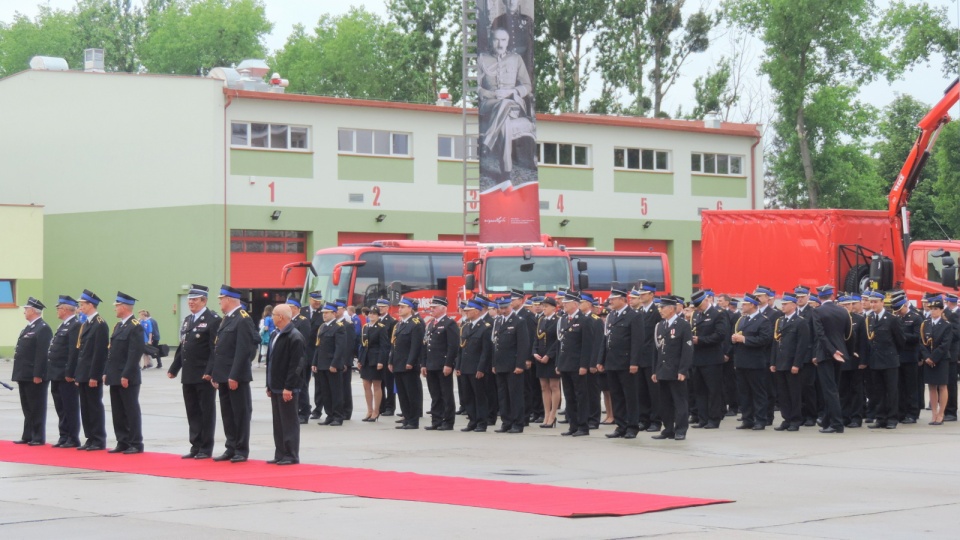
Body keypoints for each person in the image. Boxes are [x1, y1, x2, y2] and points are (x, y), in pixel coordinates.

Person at [167, 284, 221, 459]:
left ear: (204, 300)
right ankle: (195, 445)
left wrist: (210, 371)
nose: (191, 302)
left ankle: (206, 447)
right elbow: (184, 346)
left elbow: (215, 349)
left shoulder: (213, 319)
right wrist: (174, 368)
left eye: (195, 300)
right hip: (189, 374)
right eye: (190, 299)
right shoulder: (188, 320)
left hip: (203, 374)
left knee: (206, 411)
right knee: (192, 411)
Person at [477, 27, 534, 190]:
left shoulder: (516, 59)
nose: (500, 43)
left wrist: (512, 91)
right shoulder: (482, 59)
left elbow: (527, 85)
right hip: (490, 105)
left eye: (503, 40)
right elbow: (477, 88)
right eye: (496, 39)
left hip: (513, 103)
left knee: (506, 108)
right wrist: (493, 94)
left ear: (508, 42)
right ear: (491, 41)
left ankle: (487, 142)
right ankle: (506, 173)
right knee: (505, 117)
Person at [209, 284, 258, 463]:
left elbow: (243, 350)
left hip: (235, 376)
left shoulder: (243, 319)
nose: (220, 302)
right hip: (223, 375)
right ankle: (230, 447)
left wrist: (234, 375)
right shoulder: (227, 319)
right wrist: (216, 374)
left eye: (221, 299)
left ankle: (241, 449)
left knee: (240, 413)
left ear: (229, 299)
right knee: (228, 414)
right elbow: (219, 350)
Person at [598, 288, 642, 439]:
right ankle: (621, 425)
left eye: (614, 298)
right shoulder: (611, 316)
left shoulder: (633, 316)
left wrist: (634, 362)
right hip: (611, 361)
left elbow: (637, 341)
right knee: (616, 395)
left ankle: (632, 426)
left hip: (626, 361)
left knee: (630, 396)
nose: (610, 301)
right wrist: (601, 360)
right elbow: (606, 339)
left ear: (623, 299)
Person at [105, 292, 145, 454]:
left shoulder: (135, 326)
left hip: (127, 377)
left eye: (116, 306)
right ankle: (122, 441)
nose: (115, 309)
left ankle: (135, 443)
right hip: (115, 375)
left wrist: (126, 375)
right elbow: (112, 352)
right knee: (118, 410)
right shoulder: (119, 326)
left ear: (123, 307)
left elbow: (134, 353)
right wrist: (107, 372)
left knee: (130, 410)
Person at [265, 304, 304, 465]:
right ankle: (280, 452)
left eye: (273, 315)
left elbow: (297, 365)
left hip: (286, 387)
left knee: (289, 422)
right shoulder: (276, 334)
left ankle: (291, 454)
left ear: (281, 317)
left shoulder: (294, 336)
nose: (271, 317)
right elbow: (271, 361)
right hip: (275, 386)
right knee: (278, 422)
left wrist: (289, 387)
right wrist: (269, 384)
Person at [651, 295, 694, 441]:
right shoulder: (660, 325)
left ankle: (681, 429)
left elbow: (687, 350)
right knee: (665, 402)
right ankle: (668, 429)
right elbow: (656, 350)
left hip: (676, 371)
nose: (660, 310)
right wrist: (655, 370)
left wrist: (683, 370)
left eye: (662, 308)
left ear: (671, 309)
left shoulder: (683, 325)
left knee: (679, 402)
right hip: (663, 370)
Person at [811, 285, 852, 434]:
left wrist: (832, 351)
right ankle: (827, 421)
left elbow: (820, 335)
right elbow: (847, 334)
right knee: (834, 388)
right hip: (840, 353)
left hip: (826, 354)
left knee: (830, 391)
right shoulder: (843, 310)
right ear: (832, 295)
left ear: (819, 297)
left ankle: (836, 423)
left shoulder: (817, 311)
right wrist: (839, 349)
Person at [12, 297, 52, 446]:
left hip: (34, 375)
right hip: (24, 374)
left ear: (34, 311)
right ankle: (27, 435)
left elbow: (42, 354)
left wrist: (38, 374)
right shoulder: (28, 328)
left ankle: (38, 436)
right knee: (27, 406)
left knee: (36, 406)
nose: (24, 311)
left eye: (26, 309)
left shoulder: (43, 328)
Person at [731, 293, 773, 430]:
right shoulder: (743, 320)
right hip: (742, 361)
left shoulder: (763, 320)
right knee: (744, 392)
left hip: (755, 362)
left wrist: (744, 340)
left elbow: (765, 339)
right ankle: (747, 418)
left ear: (753, 305)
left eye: (745, 304)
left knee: (758, 392)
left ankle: (760, 419)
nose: (742, 306)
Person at [74, 289, 109, 451]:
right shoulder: (86, 323)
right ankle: (89, 438)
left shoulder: (100, 324)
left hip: (91, 374)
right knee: (85, 407)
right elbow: (82, 352)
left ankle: (98, 438)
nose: (81, 308)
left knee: (94, 406)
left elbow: (99, 353)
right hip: (83, 373)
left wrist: (94, 375)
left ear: (90, 305)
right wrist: (77, 375)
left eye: (82, 305)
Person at [864, 290, 904, 429]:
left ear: (882, 302)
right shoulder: (869, 319)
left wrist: (892, 354)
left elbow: (900, 340)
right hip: (875, 360)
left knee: (891, 390)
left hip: (889, 360)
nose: (873, 304)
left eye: (875, 302)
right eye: (871, 302)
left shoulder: (892, 319)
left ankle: (892, 418)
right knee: (878, 391)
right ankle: (880, 418)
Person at [770, 292, 809, 431]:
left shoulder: (800, 321)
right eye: (783, 304)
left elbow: (801, 345)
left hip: (792, 363)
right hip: (780, 362)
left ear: (793, 305)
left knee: (794, 393)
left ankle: (795, 419)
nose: (783, 306)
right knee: (783, 394)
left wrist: (796, 364)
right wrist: (773, 362)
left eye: (785, 304)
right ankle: (786, 418)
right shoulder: (780, 321)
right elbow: (776, 342)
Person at [557, 291, 594, 437]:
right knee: (569, 396)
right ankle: (573, 425)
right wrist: (559, 363)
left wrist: (584, 365)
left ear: (575, 304)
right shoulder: (565, 319)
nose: (564, 305)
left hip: (578, 365)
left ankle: (583, 426)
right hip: (565, 364)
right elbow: (561, 344)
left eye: (567, 303)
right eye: (564, 302)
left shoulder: (584, 320)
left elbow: (587, 345)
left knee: (581, 396)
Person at [491, 296, 530, 433]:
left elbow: (523, 345)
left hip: (513, 365)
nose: (503, 310)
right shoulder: (498, 321)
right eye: (500, 308)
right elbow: (495, 344)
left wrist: (520, 365)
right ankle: (506, 422)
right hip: (500, 364)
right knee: (503, 396)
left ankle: (517, 423)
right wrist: (494, 363)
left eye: (505, 307)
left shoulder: (519, 322)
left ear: (511, 306)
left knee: (515, 395)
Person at [48, 295, 82, 448]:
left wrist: (70, 372)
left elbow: (73, 351)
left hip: (65, 374)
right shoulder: (63, 325)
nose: (57, 310)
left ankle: (73, 437)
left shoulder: (75, 325)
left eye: (59, 308)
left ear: (67, 310)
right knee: (60, 406)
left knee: (70, 407)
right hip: (55, 373)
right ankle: (63, 435)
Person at [422, 296, 459, 430]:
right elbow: (426, 345)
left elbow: (452, 346)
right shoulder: (431, 324)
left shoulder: (450, 323)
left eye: (434, 308)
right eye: (431, 307)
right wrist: (424, 364)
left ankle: (448, 421)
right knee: (435, 394)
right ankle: (436, 420)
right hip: (431, 364)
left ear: (443, 308)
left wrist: (449, 364)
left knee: (446, 394)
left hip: (442, 364)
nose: (432, 310)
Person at [456, 299, 493, 432]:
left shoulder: (485, 327)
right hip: (465, 367)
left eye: (468, 310)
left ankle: (482, 423)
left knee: (480, 396)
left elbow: (486, 351)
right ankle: (472, 421)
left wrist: (481, 368)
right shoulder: (466, 326)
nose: (466, 312)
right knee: (467, 396)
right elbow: (461, 348)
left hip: (477, 368)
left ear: (476, 311)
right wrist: (458, 366)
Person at [630, 282, 662, 432]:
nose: (641, 296)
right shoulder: (639, 312)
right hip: (639, 356)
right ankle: (644, 419)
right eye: (640, 294)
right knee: (640, 390)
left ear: (651, 295)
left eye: (644, 294)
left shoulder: (657, 312)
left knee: (653, 391)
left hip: (651, 356)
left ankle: (656, 420)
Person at [389, 297, 425, 430]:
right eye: (399, 307)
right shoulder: (399, 324)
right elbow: (394, 345)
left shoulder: (416, 323)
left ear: (410, 308)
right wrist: (390, 361)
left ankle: (413, 421)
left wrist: (411, 362)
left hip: (408, 365)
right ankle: (407, 418)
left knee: (412, 394)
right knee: (402, 394)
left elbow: (416, 346)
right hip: (398, 363)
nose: (400, 309)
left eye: (403, 307)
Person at [920, 295, 955, 425]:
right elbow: (922, 342)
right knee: (931, 386)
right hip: (928, 359)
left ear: (941, 310)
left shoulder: (946, 325)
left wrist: (934, 357)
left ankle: (941, 413)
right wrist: (926, 357)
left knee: (942, 385)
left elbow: (945, 344)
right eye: (931, 309)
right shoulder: (926, 324)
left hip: (941, 360)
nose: (933, 311)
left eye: (936, 309)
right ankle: (934, 413)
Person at [314, 302, 348, 426]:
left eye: (327, 313)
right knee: (325, 392)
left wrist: (334, 364)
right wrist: (314, 362)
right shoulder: (322, 327)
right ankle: (329, 415)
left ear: (334, 313)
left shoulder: (339, 327)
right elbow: (318, 346)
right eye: (323, 313)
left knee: (336, 391)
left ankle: (338, 416)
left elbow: (340, 348)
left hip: (332, 365)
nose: (324, 315)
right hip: (322, 364)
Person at [893, 291, 922, 423]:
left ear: (906, 305)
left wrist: (902, 336)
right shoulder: (897, 318)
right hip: (899, 356)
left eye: (900, 309)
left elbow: (917, 337)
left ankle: (912, 413)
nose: (899, 312)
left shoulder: (915, 317)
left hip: (910, 356)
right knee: (900, 387)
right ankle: (901, 411)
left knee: (911, 387)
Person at [533, 296, 561, 428]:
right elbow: (536, 339)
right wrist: (534, 352)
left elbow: (558, 341)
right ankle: (546, 414)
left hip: (552, 358)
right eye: (543, 306)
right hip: (540, 357)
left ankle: (553, 415)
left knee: (554, 386)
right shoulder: (541, 320)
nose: (544, 308)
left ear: (554, 308)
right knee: (544, 387)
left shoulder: (558, 320)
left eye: (546, 306)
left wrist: (549, 355)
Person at [285, 298, 313, 424]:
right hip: (291, 359)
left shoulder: (303, 321)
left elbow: (304, 341)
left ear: (296, 308)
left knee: (302, 386)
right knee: (294, 386)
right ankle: (295, 410)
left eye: (289, 307)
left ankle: (304, 411)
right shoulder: (289, 322)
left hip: (301, 359)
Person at [359, 309, 389, 421]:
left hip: (376, 359)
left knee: (377, 385)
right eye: (370, 313)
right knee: (366, 385)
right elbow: (363, 345)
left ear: (378, 316)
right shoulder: (365, 327)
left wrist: (381, 361)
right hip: (366, 359)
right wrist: (360, 360)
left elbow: (384, 346)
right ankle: (369, 410)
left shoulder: (381, 327)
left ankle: (376, 411)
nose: (371, 315)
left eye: (374, 314)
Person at [376, 299, 398, 417]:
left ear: (388, 308)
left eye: (383, 307)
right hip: (377, 356)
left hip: (387, 355)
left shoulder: (392, 322)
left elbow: (392, 341)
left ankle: (390, 407)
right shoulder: (375, 321)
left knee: (389, 383)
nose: (380, 309)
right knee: (379, 383)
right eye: (379, 306)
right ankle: (381, 406)